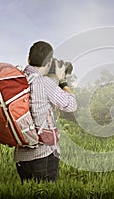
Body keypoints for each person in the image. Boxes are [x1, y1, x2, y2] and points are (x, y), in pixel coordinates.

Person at [14, 41, 77, 183]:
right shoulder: (44, 83)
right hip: (44, 155)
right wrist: (62, 81)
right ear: (49, 63)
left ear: (28, 59)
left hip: (21, 157)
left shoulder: (18, 79)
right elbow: (72, 105)